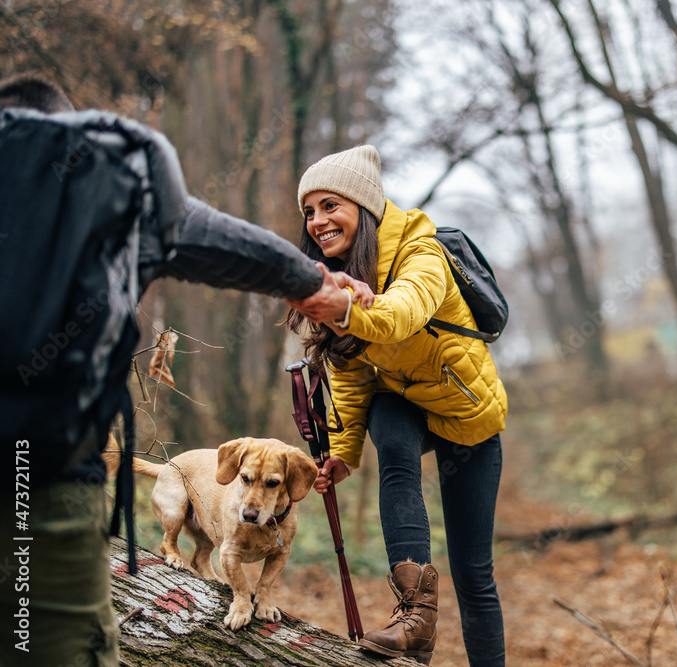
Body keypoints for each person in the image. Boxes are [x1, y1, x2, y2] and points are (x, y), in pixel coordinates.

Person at [0, 72, 370, 666]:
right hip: (38, 468)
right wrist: (319, 286)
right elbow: (215, 240)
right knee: (54, 645)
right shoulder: (112, 161)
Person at [286, 145, 507, 666]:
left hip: (467, 414)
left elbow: (400, 315)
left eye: (330, 205)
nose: (317, 221)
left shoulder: (421, 254)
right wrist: (342, 451)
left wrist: (345, 306)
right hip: (403, 402)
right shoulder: (334, 273)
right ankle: (416, 616)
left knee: (474, 572)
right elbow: (351, 373)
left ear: (363, 207)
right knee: (391, 431)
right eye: (309, 211)